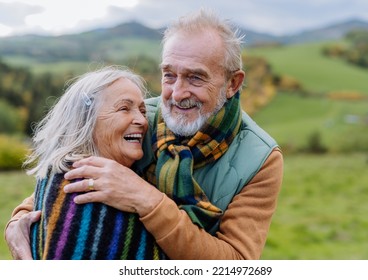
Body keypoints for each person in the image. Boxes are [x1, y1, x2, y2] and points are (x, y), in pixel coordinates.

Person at [5, 8, 283, 260]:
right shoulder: (140, 117)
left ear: (233, 83)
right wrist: (19, 219)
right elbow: (71, 174)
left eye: (195, 77)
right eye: (169, 75)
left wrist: (147, 200)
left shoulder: (260, 159)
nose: (177, 93)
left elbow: (236, 264)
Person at [21, 66, 167, 259]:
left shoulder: (71, 175)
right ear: (86, 120)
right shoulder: (82, 194)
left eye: (142, 110)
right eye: (124, 108)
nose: (142, 120)